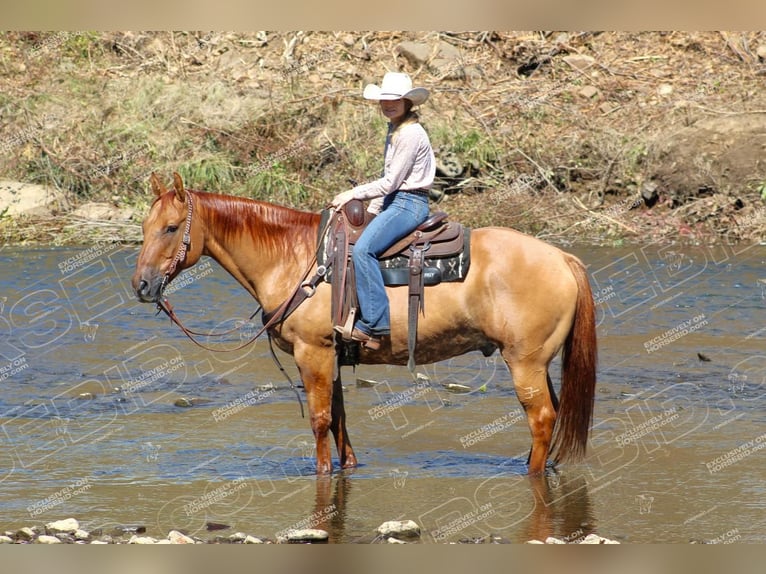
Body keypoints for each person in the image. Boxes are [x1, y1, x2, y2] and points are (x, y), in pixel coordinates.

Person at [331, 72, 435, 350]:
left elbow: (391, 182)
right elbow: (389, 179)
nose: (388, 105)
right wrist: (374, 211)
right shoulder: (396, 129)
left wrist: (352, 194)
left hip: (408, 203)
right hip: (395, 202)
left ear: (406, 102)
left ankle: (375, 325)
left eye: (394, 100)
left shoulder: (410, 134)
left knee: (364, 250)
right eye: (384, 100)